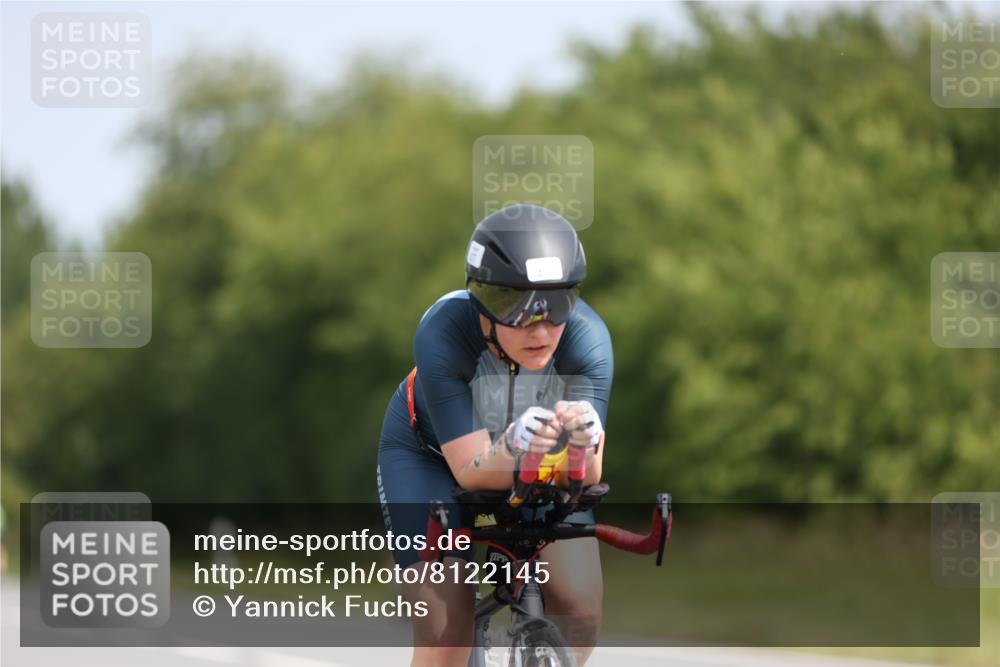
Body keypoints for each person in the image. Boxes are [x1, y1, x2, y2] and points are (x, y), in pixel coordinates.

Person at [376, 204, 613, 667]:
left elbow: (589, 473)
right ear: (482, 302)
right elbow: (471, 471)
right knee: (447, 635)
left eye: (557, 305)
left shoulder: (589, 339)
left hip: (536, 462)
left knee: (581, 611)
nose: (541, 330)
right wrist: (512, 443)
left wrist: (583, 441)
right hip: (431, 458)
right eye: (517, 309)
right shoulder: (443, 330)